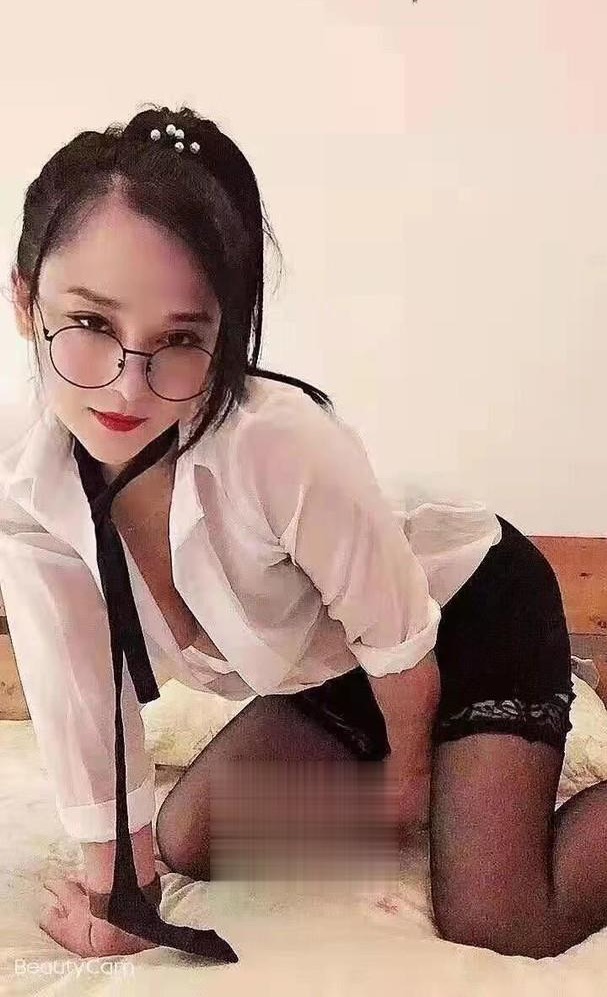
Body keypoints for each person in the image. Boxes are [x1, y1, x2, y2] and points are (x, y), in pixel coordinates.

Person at [0, 102, 594, 963]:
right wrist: (124, 898)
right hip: (337, 665)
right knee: (191, 837)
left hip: (463, 615)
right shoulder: (26, 487)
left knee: (502, 920)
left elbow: (397, 637)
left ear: (224, 335)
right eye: (92, 324)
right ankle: (460, 771)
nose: (128, 387)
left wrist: (405, 784)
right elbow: (80, 697)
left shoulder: (280, 445)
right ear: (25, 299)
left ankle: (471, 760)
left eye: (180, 338)